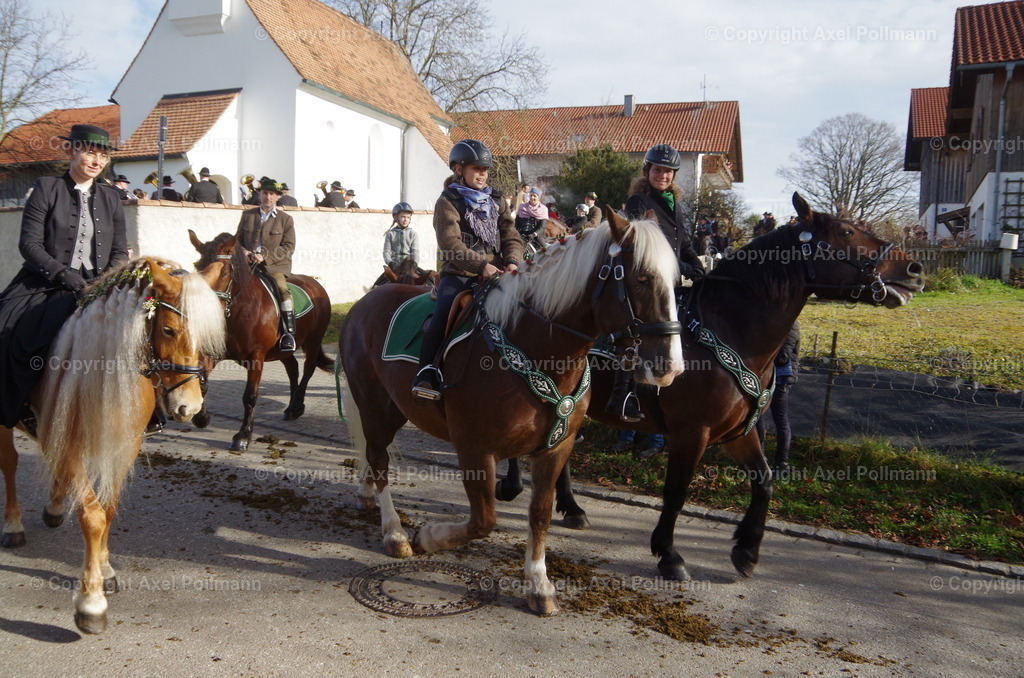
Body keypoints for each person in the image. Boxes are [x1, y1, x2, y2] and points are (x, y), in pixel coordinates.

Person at [0, 123, 130, 432]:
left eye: (103, 155)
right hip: (44, 282)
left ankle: (145, 411)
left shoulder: (111, 198)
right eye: (89, 152)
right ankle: (19, 406)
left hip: (97, 285)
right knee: (5, 327)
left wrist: (107, 282)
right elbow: (28, 244)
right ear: (71, 151)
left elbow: (119, 251)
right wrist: (61, 273)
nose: (97, 161)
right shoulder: (47, 188)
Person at [411, 139, 523, 400]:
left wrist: (512, 261)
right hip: (460, 273)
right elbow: (450, 244)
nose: (482, 173)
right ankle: (427, 372)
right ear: (459, 170)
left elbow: (510, 235)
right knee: (442, 313)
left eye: (485, 169)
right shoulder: (447, 201)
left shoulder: (497, 200)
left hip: (499, 272)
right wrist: (481, 265)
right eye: (476, 168)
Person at [608, 143, 705, 422]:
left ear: (673, 175)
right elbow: (649, 248)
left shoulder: (674, 204)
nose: (662, 175)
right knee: (638, 334)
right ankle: (621, 396)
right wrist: (682, 267)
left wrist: (696, 265)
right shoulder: (640, 202)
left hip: (671, 278)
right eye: (657, 170)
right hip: (649, 279)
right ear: (647, 171)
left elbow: (682, 242)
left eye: (667, 171)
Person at [234, 176, 297, 352]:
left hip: (273, 266)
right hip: (247, 264)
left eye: (271, 194)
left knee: (282, 290)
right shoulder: (248, 215)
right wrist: (244, 251)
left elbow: (288, 247)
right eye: (264, 193)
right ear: (259, 195)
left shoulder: (286, 219)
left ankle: (288, 334)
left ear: (277, 197)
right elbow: (237, 240)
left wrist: (265, 256)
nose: (267, 197)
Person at [756, 320, 800, 475]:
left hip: (781, 378)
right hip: (764, 377)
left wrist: (762, 355)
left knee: (780, 419)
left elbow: (783, 357)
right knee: (757, 416)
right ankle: (761, 459)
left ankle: (782, 463)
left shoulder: (791, 326)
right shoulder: (775, 322)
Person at [383, 202, 418, 269]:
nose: (406, 219)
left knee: (430, 278)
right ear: (396, 217)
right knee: (380, 280)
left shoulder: (413, 233)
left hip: (409, 266)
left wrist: (415, 263)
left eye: (408, 217)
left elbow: (415, 252)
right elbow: (386, 252)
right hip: (394, 266)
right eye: (403, 217)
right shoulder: (390, 234)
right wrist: (390, 263)